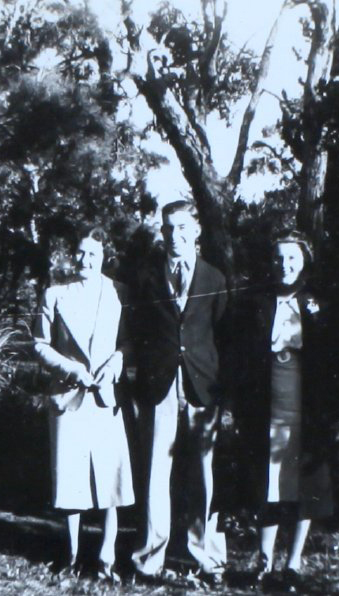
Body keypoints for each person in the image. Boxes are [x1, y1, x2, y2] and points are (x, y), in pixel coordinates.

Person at [231, 230, 339, 589]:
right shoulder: (255, 303)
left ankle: (293, 564)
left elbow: (333, 365)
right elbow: (241, 358)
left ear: (304, 262)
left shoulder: (320, 305)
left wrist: (337, 413)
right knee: (266, 483)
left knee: (304, 486)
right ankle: (264, 562)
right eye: (279, 258)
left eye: (292, 258)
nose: (285, 265)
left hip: (308, 407)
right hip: (265, 405)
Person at [129, 200, 228, 585]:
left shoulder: (214, 278)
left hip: (203, 385)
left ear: (196, 230)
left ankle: (209, 558)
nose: (175, 236)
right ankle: (149, 558)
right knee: (156, 473)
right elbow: (137, 332)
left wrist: (224, 390)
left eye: (183, 228)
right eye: (168, 228)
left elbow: (224, 336)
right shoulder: (147, 277)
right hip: (159, 386)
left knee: (205, 475)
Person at [34, 226, 134, 582]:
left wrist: (117, 362)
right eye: (79, 252)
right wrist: (71, 368)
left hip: (106, 398)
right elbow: (39, 344)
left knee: (110, 482)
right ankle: (72, 556)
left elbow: (129, 342)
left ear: (104, 256)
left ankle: (107, 560)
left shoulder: (119, 293)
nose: (84, 260)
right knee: (72, 481)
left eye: (92, 253)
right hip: (68, 396)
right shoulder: (55, 295)